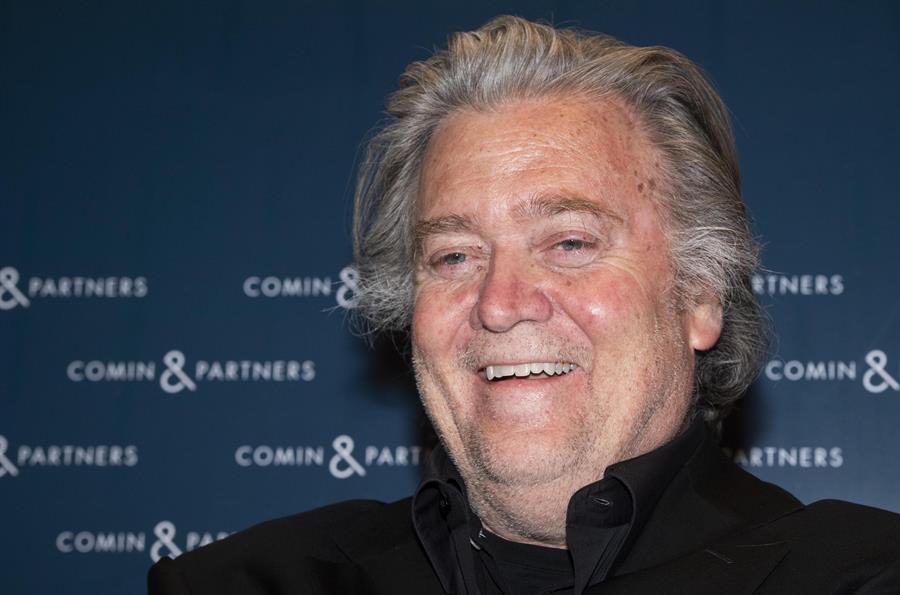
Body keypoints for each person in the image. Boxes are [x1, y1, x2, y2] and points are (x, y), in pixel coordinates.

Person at [148, 16, 900, 594]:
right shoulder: (245, 585)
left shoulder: (861, 576)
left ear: (700, 294)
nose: (500, 305)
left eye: (569, 242)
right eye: (454, 256)